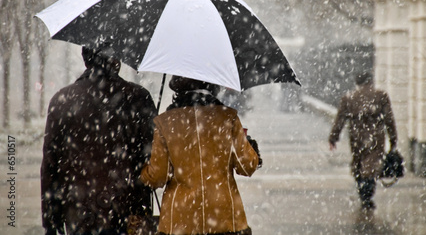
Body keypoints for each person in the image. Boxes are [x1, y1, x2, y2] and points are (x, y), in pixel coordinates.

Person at [41, 45, 157, 235]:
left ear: (86, 60)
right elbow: (152, 159)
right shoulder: (138, 97)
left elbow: (50, 166)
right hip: (128, 217)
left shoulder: (62, 100)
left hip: (79, 215)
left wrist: (51, 222)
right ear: (116, 61)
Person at [140, 76, 261, 235]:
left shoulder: (165, 122)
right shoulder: (228, 118)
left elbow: (158, 176)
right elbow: (246, 167)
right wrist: (251, 148)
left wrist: (143, 172)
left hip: (179, 220)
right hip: (224, 217)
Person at [328, 71, 397, 210]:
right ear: (370, 81)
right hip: (376, 137)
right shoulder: (381, 96)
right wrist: (393, 139)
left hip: (356, 137)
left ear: (357, 82)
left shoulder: (349, 98)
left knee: (358, 163)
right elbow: (389, 120)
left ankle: (362, 191)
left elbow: (340, 119)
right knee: (371, 166)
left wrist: (333, 138)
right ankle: (367, 195)